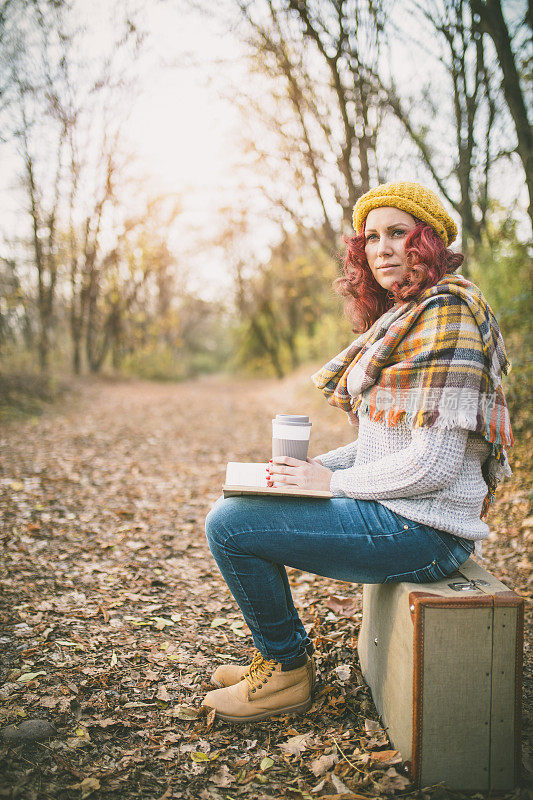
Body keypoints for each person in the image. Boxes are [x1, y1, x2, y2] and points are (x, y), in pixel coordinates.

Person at [202, 181, 513, 723]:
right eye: (372, 237)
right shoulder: (405, 318)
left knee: (229, 525)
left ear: (430, 242)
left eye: (399, 233)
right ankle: (282, 659)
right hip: (402, 516)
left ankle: (286, 672)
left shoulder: (449, 317)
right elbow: (378, 446)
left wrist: (330, 485)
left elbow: (432, 465)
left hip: (424, 531)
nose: (383, 248)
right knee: (244, 504)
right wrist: (318, 467)